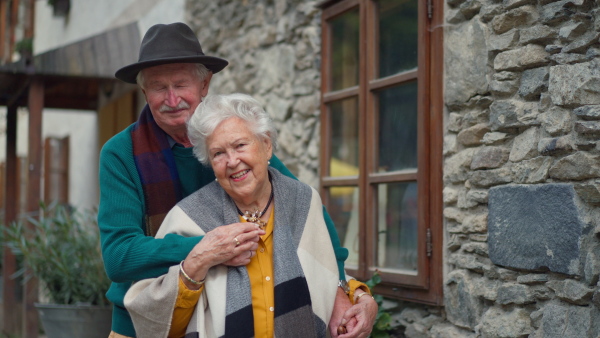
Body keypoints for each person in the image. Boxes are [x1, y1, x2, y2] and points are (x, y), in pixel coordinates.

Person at [99, 22, 375, 338]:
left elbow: (307, 215)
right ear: (144, 92)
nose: (172, 99)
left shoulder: (235, 140)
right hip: (144, 320)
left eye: (181, 84)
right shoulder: (122, 153)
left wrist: (345, 289)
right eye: (159, 87)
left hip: (229, 317)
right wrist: (207, 249)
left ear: (205, 84)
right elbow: (119, 256)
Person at [124, 93, 377, 338]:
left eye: (240, 145)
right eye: (218, 153)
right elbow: (165, 326)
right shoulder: (188, 217)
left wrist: (361, 298)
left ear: (266, 146)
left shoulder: (303, 201)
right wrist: (198, 262)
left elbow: (325, 271)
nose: (232, 161)